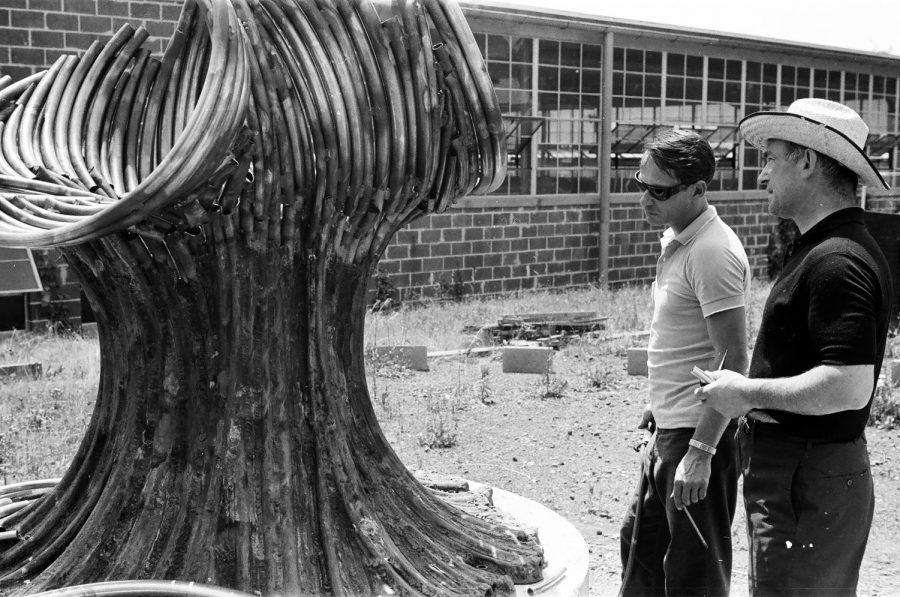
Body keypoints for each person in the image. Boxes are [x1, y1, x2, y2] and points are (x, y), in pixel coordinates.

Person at [697, 98, 893, 596]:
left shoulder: (837, 261)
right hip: (806, 474)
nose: (763, 175)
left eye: (772, 158)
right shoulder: (827, 247)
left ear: (806, 161)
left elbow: (848, 385)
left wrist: (747, 393)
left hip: (806, 476)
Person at [620, 129, 751, 596]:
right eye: (642, 184)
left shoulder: (712, 252)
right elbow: (685, 341)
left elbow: (734, 358)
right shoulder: (679, 240)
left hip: (698, 439)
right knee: (641, 555)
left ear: (699, 188)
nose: (646, 200)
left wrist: (702, 451)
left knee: (695, 573)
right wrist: (659, 406)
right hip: (670, 430)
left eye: (661, 191)